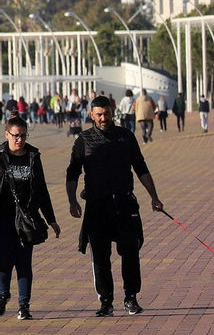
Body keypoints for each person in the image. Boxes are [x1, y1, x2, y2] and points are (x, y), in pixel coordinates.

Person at [66, 95, 164, 317]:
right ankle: (106, 301)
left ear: (113, 113)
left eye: (107, 114)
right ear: (91, 115)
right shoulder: (83, 140)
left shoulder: (125, 136)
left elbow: (140, 167)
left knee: (130, 253)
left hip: (124, 204)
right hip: (97, 206)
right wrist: (72, 201)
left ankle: (131, 298)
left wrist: (154, 197)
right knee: (100, 258)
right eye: (99, 115)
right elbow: (72, 173)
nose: (104, 118)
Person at [0, 117, 61, 319]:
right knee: (4, 261)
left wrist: (51, 219)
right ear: (7, 134)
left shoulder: (33, 156)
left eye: (23, 135)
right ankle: (2, 295)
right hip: (4, 220)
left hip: (26, 219)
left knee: (24, 262)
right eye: (16, 135)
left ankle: (24, 306)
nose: (20, 140)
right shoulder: (0, 157)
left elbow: (41, 189)